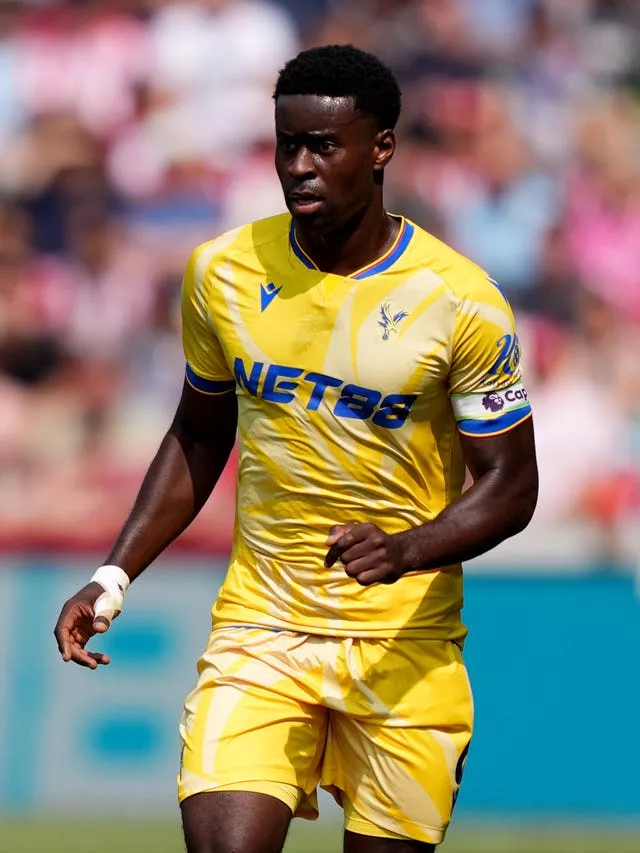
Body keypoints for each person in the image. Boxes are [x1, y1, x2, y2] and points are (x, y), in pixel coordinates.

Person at [54, 44, 538, 853]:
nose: (300, 166)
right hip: (262, 628)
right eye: (287, 144)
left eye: (324, 146)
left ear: (381, 148)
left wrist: (407, 546)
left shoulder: (460, 302)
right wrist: (114, 573)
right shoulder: (223, 272)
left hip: (402, 645)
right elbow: (198, 435)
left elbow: (511, 489)